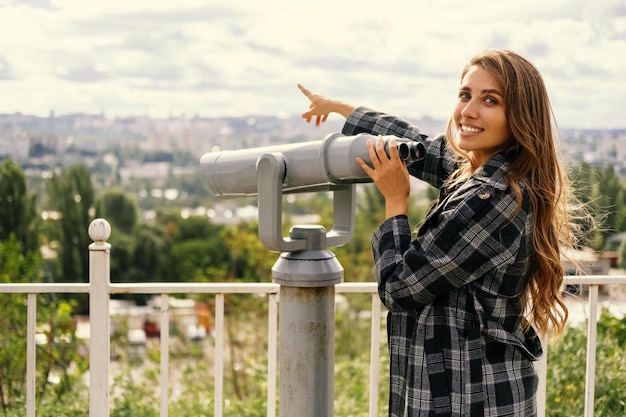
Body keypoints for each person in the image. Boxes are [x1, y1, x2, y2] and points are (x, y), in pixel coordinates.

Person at [298, 50, 588, 416]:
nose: (468, 111)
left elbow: (399, 288)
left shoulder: (491, 199)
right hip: (474, 391)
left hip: (466, 398)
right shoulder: (496, 174)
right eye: (465, 95)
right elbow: (421, 148)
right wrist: (344, 110)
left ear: (519, 116)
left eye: (490, 100)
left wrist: (395, 202)